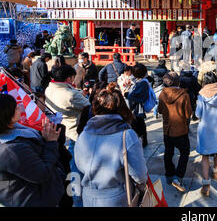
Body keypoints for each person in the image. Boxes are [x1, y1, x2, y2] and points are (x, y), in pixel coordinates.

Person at [75, 83, 148, 207]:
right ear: (122, 107)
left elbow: (79, 165)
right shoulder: (127, 135)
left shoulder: (83, 134)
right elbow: (140, 175)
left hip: (88, 195)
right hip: (117, 197)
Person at [0, 94, 65, 207]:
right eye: (15, 108)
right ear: (6, 116)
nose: (20, 107)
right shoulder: (10, 150)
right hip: (31, 200)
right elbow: (42, 173)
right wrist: (51, 142)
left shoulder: (15, 129)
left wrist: (44, 137)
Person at [44, 65, 91, 207]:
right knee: (75, 170)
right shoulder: (72, 95)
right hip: (73, 132)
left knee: (66, 168)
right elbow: (89, 106)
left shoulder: (49, 88)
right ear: (69, 78)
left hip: (58, 132)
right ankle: (77, 202)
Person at [195, 72, 217, 196]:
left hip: (205, 130)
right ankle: (216, 172)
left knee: (205, 157)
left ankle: (206, 184)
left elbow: (197, 114)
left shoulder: (201, 96)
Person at [157, 72, 192, 193]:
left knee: (168, 153)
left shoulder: (162, 94)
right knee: (184, 152)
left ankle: (169, 175)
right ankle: (178, 176)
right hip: (181, 130)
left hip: (167, 130)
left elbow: (160, 111)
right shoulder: (184, 95)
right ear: (178, 82)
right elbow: (188, 114)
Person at [126, 63, 152, 147]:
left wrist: (128, 95)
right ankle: (143, 142)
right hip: (137, 109)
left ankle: (141, 142)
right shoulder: (140, 81)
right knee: (140, 126)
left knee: (137, 126)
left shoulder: (142, 83)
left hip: (137, 109)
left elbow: (139, 98)